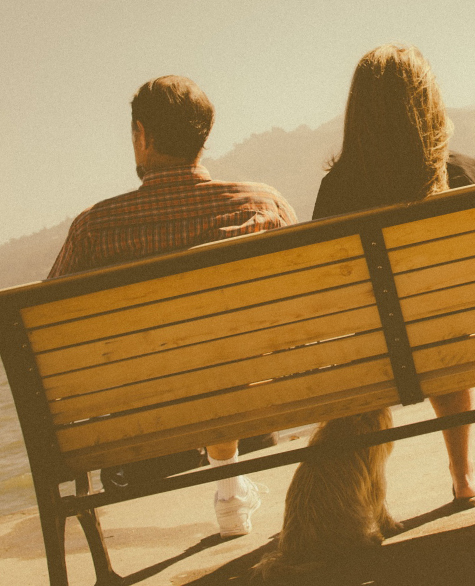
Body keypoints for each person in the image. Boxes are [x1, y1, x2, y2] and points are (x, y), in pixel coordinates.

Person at [48, 75, 298, 536]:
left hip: (144, 437)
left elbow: (47, 338)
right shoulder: (264, 206)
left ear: (141, 136)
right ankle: (233, 480)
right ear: (203, 135)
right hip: (252, 414)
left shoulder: (95, 230)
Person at [313, 43, 475, 508]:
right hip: (461, 342)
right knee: (442, 328)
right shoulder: (468, 174)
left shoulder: (337, 190)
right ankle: (463, 474)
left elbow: (328, 294)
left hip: (374, 354)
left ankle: (368, 499)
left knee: (397, 335)